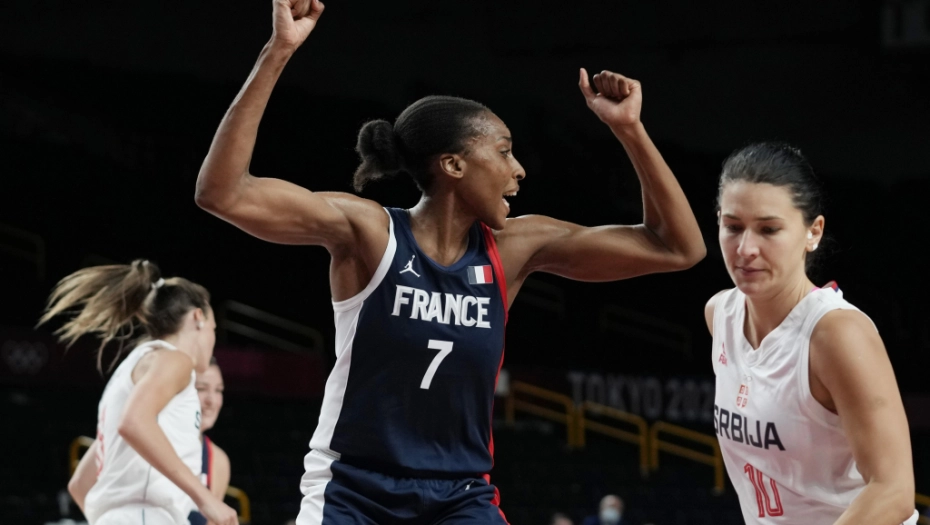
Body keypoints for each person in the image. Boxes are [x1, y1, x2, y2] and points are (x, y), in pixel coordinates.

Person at [194, 0, 706, 522]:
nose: (519, 169)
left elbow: (678, 248)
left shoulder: (516, 247)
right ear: (454, 164)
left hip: (459, 494)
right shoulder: (370, 233)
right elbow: (223, 193)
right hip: (354, 488)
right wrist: (278, 51)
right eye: (504, 151)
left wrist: (630, 130)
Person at [705, 143, 918, 525]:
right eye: (733, 227)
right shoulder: (719, 314)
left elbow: (893, 491)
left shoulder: (837, 334)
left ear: (813, 232)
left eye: (769, 229)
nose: (746, 248)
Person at [43, 260, 238, 525]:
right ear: (198, 317)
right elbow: (134, 422)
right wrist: (205, 498)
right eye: (214, 329)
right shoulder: (174, 359)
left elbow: (80, 485)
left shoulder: (135, 366)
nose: (213, 341)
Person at [189, 357, 232, 525]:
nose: (211, 401)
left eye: (218, 390)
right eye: (201, 389)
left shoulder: (218, 460)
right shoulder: (151, 443)